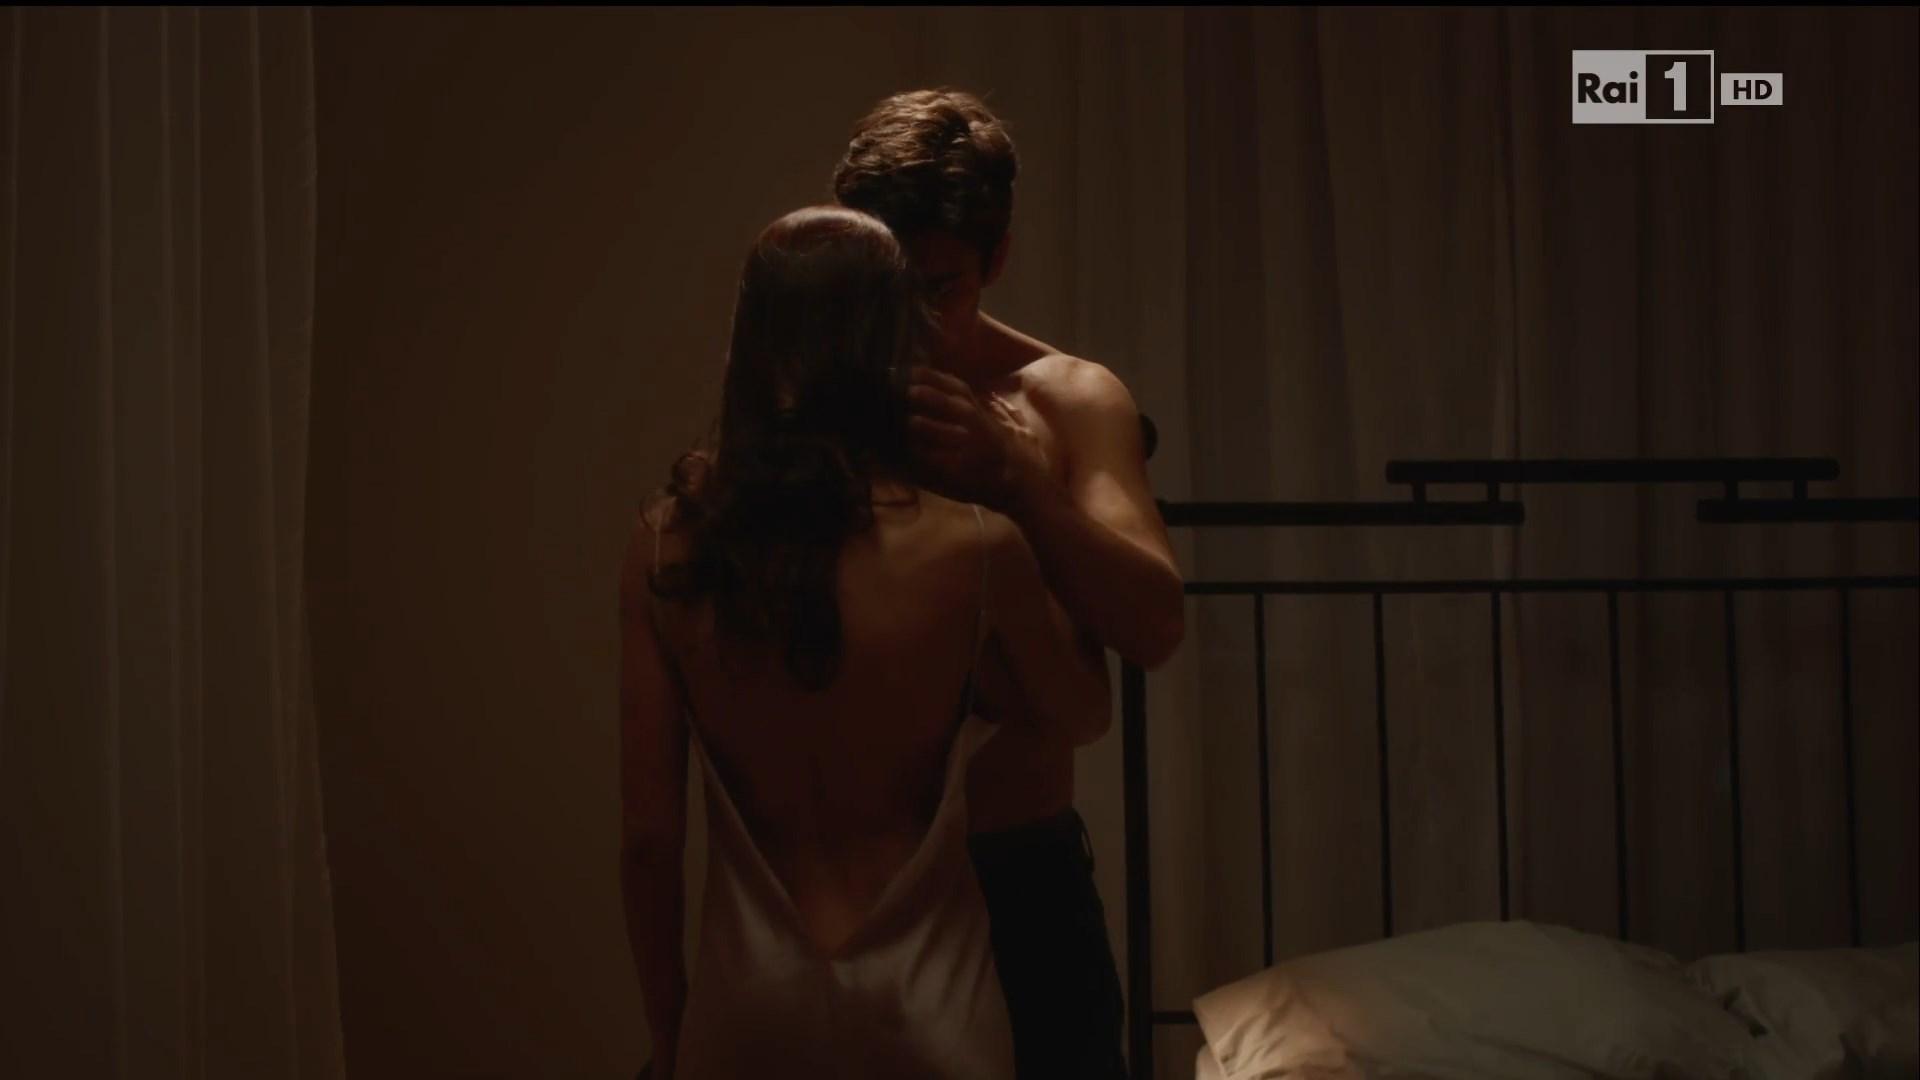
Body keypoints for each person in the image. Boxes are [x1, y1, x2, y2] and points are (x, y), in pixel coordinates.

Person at [618, 205, 1112, 1079]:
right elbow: (1080, 716)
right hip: (928, 1003)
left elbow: (651, 841)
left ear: (753, 340)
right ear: (895, 340)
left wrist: (670, 1030)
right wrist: (1028, 491)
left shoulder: (668, 546)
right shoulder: (974, 548)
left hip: (748, 1003)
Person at [834, 89, 1185, 1078]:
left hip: (1021, 878)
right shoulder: (812, 406)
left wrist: (1021, 485)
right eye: (881, 287)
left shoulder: (1065, 400)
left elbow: (1155, 626)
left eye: (937, 288)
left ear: (995, 260)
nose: (907, 324)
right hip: (861, 884)